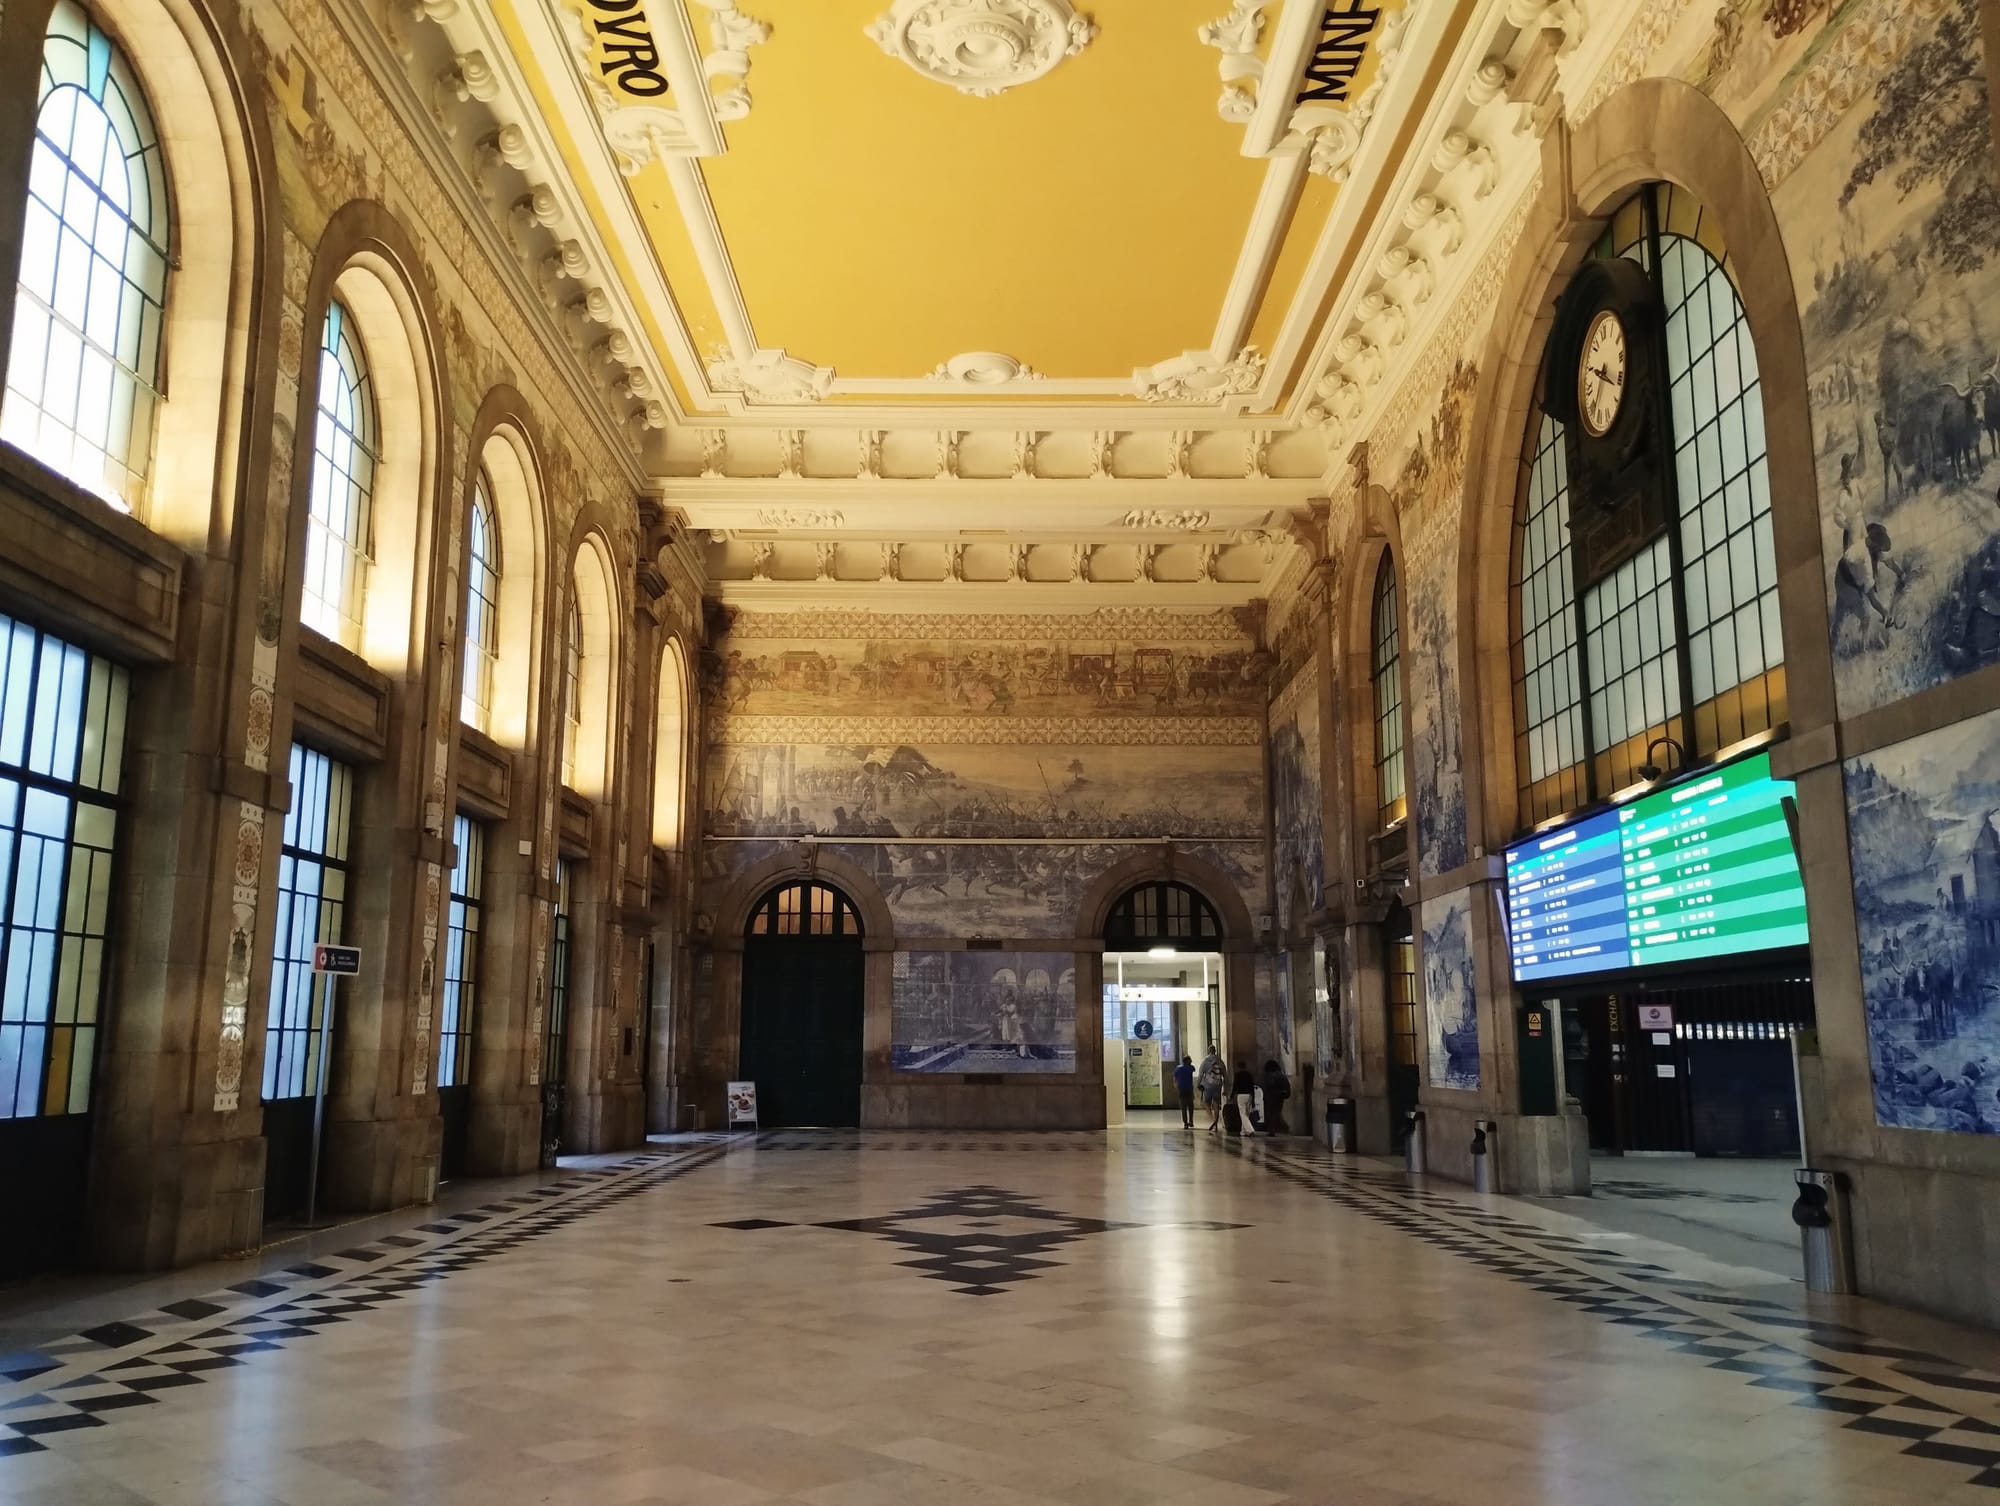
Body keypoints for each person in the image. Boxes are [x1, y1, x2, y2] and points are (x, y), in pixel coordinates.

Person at [1198, 1047, 1226, 1134]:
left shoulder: (1205, 1061)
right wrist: (1226, 1087)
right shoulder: (1220, 1061)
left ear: (1208, 1051)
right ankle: (1216, 1124)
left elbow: (1201, 1074)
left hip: (1208, 1085)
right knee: (1216, 1104)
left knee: (1206, 1103)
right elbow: (1225, 1074)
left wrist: (1198, 1083)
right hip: (1218, 1085)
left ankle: (1213, 1120)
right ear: (1215, 1051)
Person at [1261, 1058, 1292, 1136]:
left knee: (1272, 1114)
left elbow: (1269, 1086)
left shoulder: (1271, 1076)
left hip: (1272, 1097)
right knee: (1276, 1113)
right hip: (1279, 1097)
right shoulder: (1281, 1075)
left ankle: (1274, 1129)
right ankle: (1276, 1129)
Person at [1232, 1060, 1257, 1133]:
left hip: (1241, 1095)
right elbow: (1252, 1087)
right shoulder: (1249, 1075)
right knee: (1247, 1113)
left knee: (1242, 1113)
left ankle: (1250, 1129)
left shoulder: (1237, 1075)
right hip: (1249, 1095)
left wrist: (1232, 1095)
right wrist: (1253, 1098)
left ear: (1239, 1067)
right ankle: (1243, 1131)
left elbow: (1235, 1087)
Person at [1172, 1054, 1196, 1129]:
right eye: (1190, 1060)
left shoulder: (1178, 1068)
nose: (1191, 1061)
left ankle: (1185, 1123)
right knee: (1191, 1106)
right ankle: (1191, 1121)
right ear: (1188, 1061)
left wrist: (1175, 1085)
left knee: (1183, 1107)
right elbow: (1194, 1069)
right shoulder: (1190, 1067)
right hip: (1189, 1089)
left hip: (1181, 1089)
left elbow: (1175, 1077)